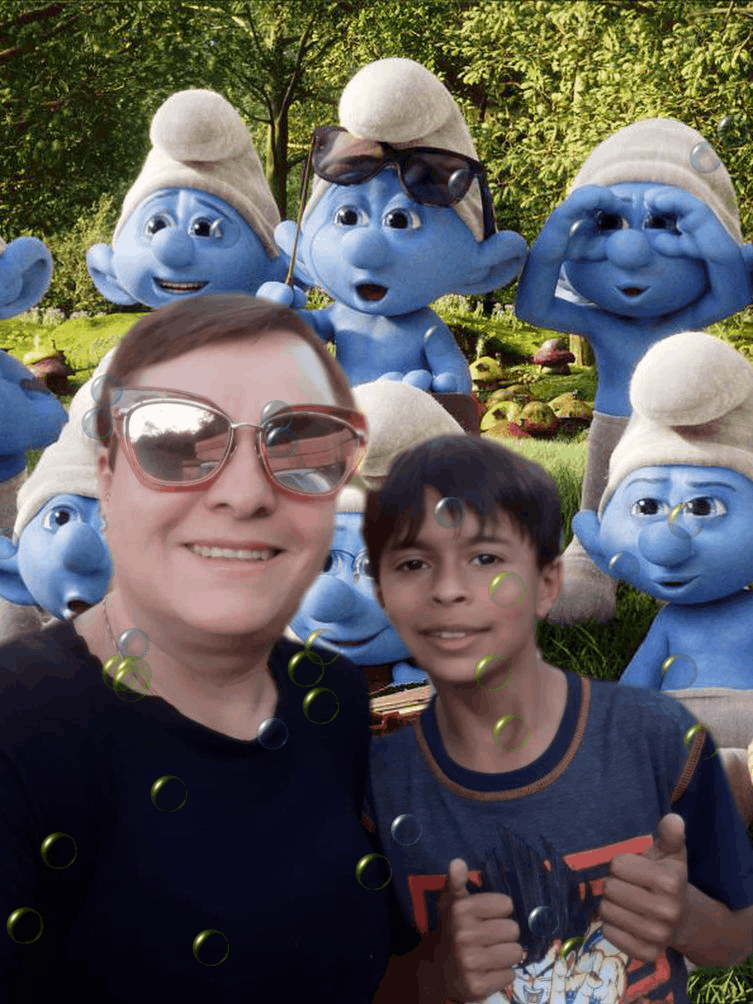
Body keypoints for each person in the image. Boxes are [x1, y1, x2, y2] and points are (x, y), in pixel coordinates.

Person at [0, 294, 446, 1003]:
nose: (244, 492)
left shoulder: (328, 696)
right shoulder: (20, 725)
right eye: (179, 443)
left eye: (297, 445)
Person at [362, 434, 753, 1004]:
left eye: (485, 558)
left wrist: (686, 916)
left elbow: (735, 936)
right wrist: (433, 972)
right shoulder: (374, 784)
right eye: (414, 563)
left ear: (548, 584)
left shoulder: (663, 740)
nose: (450, 591)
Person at [515, 117, 753, 626]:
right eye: (609, 224)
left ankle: (689, 571)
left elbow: (736, 291)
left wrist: (700, 221)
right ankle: (588, 559)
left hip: (678, 434)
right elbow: (532, 307)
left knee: (674, 502)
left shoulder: (683, 318)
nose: (631, 249)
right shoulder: (600, 324)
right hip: (612, 426)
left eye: (661, 226)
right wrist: (559, 230)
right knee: (598, 502)